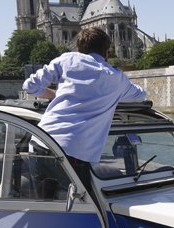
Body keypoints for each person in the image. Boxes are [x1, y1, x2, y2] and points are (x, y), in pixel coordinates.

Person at [22, 26, 146, 192]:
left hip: (41, 141)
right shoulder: (116, 78)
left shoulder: (67, 60)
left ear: (79, 48)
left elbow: (30, 86)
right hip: (74, 153)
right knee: (77, 208)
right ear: (107, 52)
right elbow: (140, 95)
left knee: (45, 202)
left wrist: (55, 95)